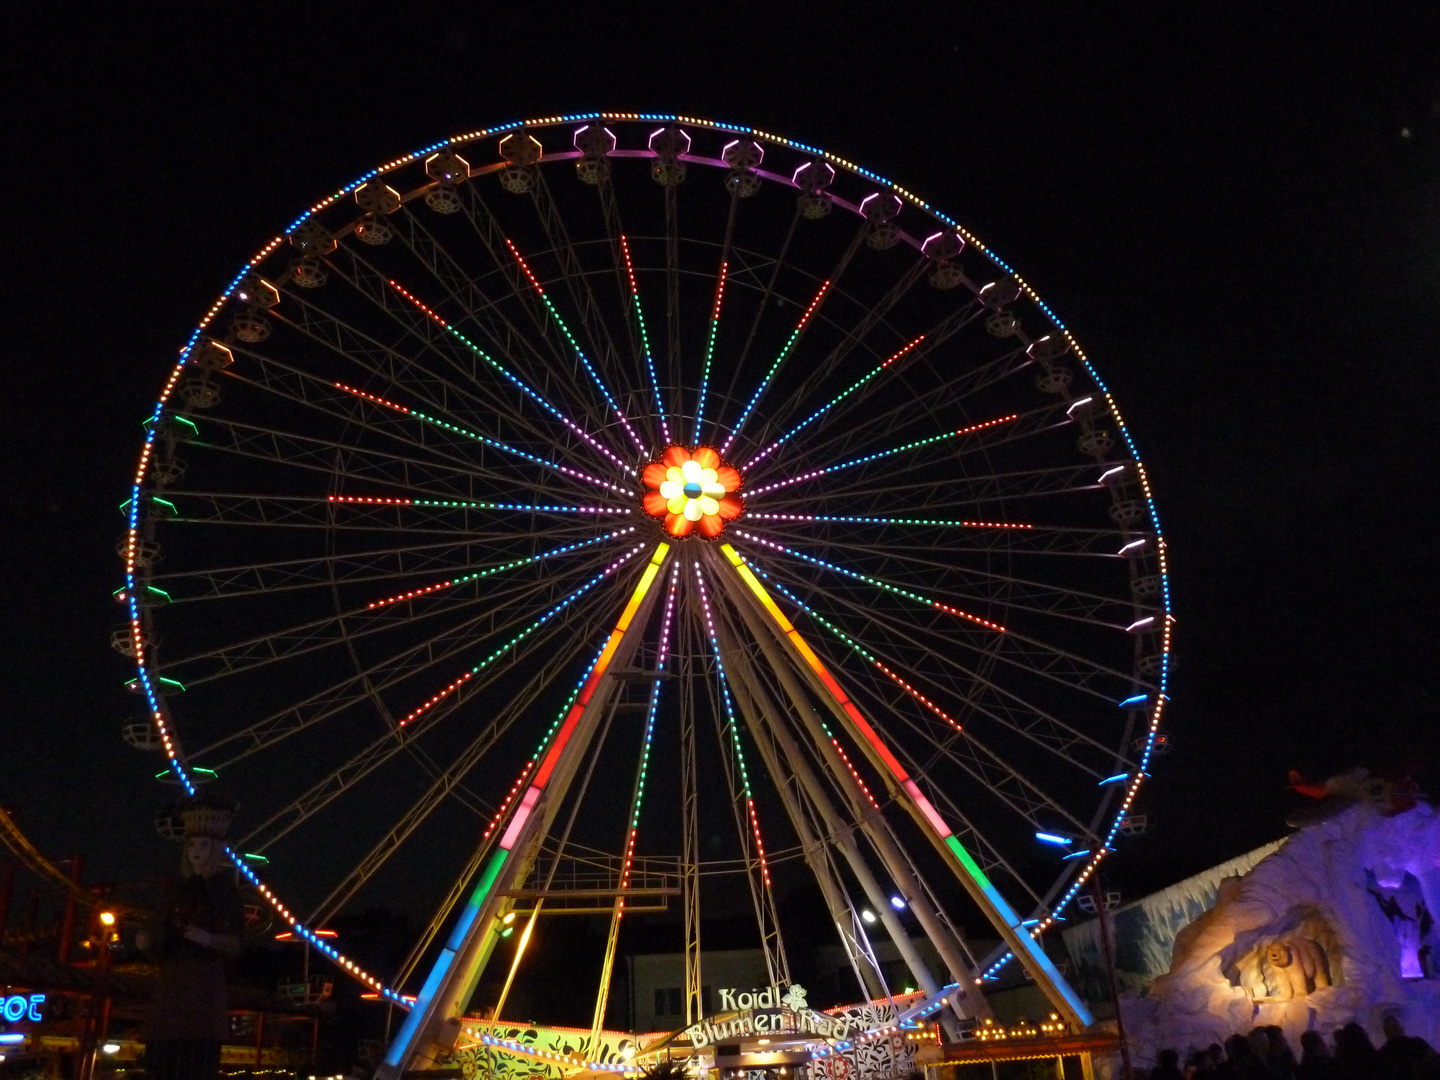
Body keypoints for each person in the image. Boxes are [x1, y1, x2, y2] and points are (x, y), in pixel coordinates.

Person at [142, 794, 245, 1080]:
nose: (196, 851)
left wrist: (208, 939)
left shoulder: (225, 892)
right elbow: (158, 931)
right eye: (191, 845)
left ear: (216, 849)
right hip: (171, 982)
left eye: (203, 845)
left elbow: (236, 945)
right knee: (162, 1055)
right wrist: (150, 941)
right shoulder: (175, 889)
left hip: (203, 984)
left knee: (195, 1056)